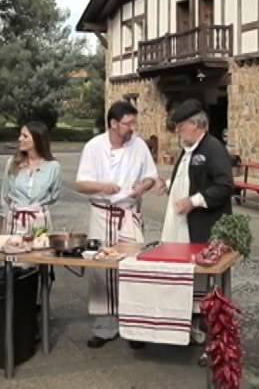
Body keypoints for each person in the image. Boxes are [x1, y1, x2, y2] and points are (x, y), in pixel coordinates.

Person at [74, 100, 158, 349]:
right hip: (101, 213)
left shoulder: (139, 145)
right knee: (101, 270)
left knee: (133, 268)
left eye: (134, 122)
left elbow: (151, 176)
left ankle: (135, 328)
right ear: (112, 123)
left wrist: (142, 186)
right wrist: (103, 186)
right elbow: (80, 184)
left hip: (128, 213)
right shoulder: (94, 147)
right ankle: (105, 327)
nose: (132, 127)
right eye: (127, 123)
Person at [163, 99, 234, 244]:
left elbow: (224, 185)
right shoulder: (188, 149)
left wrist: (193, 201)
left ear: (194, 124)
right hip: (182, 226)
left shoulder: (213, 148)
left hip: (205, 228)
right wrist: (168, 184)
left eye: (180, 126)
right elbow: (189, 178)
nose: (177, 131)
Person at [0, 121, 61, 236]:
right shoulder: (12, 163)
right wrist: (4, 222)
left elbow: (54, 195)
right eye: (20, 134)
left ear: (37, 139)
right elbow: (5, 194)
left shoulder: (53, 166)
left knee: (39, 252)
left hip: (40, 220)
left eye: (25, 136)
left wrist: (37, 206)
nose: (20, 138)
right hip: (14, 218)